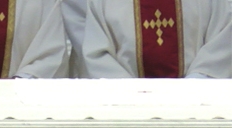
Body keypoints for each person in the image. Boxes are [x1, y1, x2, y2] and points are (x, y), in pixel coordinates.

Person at [82, 0, 232, 78]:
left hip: (199, 104)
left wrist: (194, 84)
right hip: (125, 108)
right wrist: (132, 93)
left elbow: (222, 38)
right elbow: (97, 52)